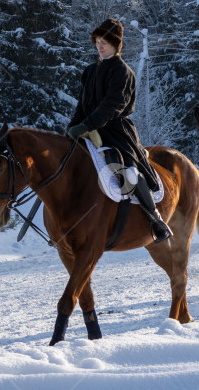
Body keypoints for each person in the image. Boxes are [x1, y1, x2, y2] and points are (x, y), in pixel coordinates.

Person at [66, 18, 172, 243]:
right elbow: (81, 106)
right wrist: (72, 128)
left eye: (105, 42)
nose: (100, 46)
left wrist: (86, 125)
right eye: (97, 41)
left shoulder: (123, 71)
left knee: (128, 170)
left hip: (116, 131)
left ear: (116, 45)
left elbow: (112, 106)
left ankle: (155, 219)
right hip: (88, 128)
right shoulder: (89, 72)